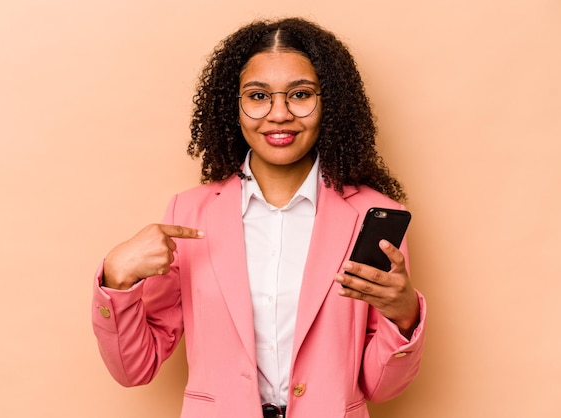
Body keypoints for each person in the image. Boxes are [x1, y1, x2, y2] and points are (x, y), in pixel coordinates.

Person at [92, 17, 426, 418]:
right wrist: (116, 281)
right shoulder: (189, 213)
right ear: (233, 107)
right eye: (257, 96)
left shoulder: (373, 217)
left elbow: (380, 387)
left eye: (301, 94)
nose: (279, 113)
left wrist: (404, 317)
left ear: (330, 103)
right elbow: (135, 368)